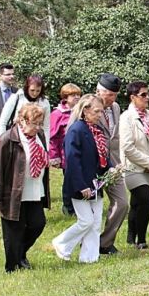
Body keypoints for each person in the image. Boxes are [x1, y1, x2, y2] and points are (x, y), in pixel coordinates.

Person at [0, 104, 50, 273]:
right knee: (13, 231)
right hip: (14, 193)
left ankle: (20, 254)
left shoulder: (40, 136)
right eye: (34, 123)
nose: (37, 127)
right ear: (22, 121)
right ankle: (12, 267)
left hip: (35, 190)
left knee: (38, 224)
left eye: (40, 123)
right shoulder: (7, 139)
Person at [52, 95, 111, 263]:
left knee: (96, 221)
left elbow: (102, 154)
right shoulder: (76, 129)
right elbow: (72, 160)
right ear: (85, 110)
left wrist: (111, 168)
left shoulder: (96, 130)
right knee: (85, 221)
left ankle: (89, 257)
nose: (100, 115)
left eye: (101, 111)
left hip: (96, 181)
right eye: (96, 111)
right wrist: (81, 185)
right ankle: (62, 243)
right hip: (81, 183)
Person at [119, 81, 149, 249]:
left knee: (137, 202)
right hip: (133, 168)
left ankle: (131, 236)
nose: (147, 97)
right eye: (143, 95)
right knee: (145, 200)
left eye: (147, 94)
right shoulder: (126, 118)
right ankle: (141, 240)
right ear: (132, 97)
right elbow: (128, 148)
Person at [96, 73, 128, 255]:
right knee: (91, 212)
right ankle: (89, 245)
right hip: (94, 164)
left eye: (115, 95)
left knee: (122, 203)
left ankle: (105, 243)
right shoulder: (87, 107)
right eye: (108, 94)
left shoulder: (115, 107)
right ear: (99, 91)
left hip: (113, 164)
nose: (112, 99)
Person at [49, 83, 82, 216]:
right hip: (66, 153)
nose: (77, 98)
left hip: (80, 151)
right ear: (65, 96)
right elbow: (52, 137)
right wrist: (54, 156)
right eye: (73, 95)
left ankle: (80, 204)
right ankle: (68, 207)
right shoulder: (57, 114)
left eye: (78, 95)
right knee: (69, 179)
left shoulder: (81, 111)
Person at [0, 74, 51, 140]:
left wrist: (46, 147)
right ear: (27, 88)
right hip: (16, 138)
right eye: (32, 90)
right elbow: (3, 122)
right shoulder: (16, 98)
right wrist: (2, 142)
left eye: (38, 91)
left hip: (35, 141)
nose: (35, 93)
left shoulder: (44, 103)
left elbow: (46, 127)